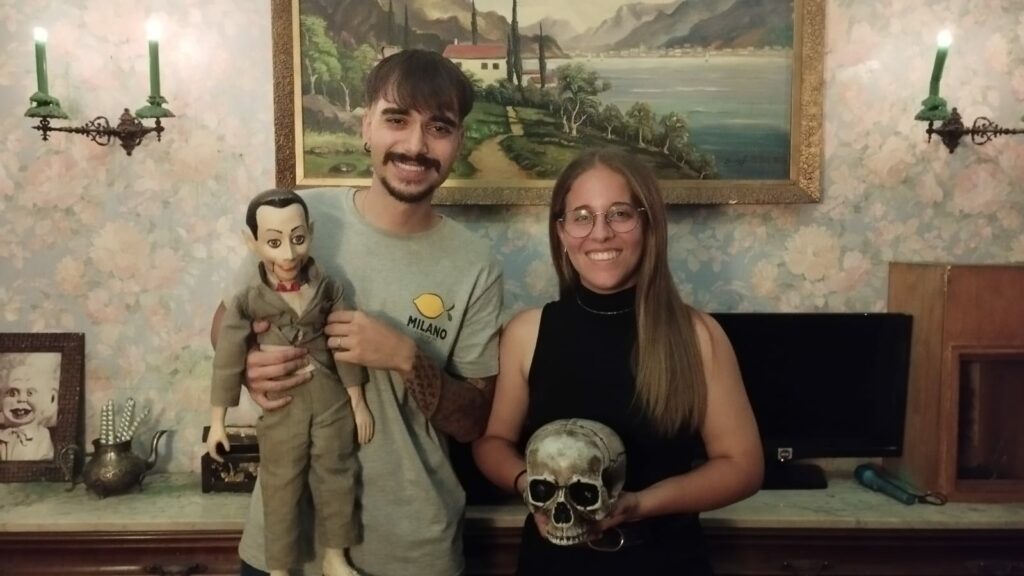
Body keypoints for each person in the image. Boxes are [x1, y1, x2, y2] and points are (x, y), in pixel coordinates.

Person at [211, 49, 502, 576]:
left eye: (439, 127)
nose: (416, 145)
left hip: (412, 551)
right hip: (287, 548)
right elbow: (226, 321)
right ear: (366, 126)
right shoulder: (304, 217)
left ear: (459, 140)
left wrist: (405, 357)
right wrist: (250, 364)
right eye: (397, 120)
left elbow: (474, 421)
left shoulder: (476, 264)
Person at [472, 148, 764, 574]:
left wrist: (641, 504)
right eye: (582, 216)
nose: (600, 233)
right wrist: (532, 488)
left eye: (620, 214)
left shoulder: (698, 336)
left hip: (666, 563)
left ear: (648, 224)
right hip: (551, 564)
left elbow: (743, 467)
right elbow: (492, 443)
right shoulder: (525, 333)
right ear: (561, 232)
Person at [208, 188, 372, 576]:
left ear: (310, 232)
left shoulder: (329, 289)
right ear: (252, 242)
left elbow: (344, 344)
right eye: (274, 242)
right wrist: (218, 421)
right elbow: (228, 357)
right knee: (280, 486)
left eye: (297, 238)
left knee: (338, 476)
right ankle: (279, 567)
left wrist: (357, 401)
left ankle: (335, 556)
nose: (288, 254)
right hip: (283, 406)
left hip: (330, 400)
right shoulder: (248, 300)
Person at [0, 353, 60, 462]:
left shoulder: (42, 436)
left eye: (30, 393)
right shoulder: (2, 436)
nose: (21, 399)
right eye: (12, 393)